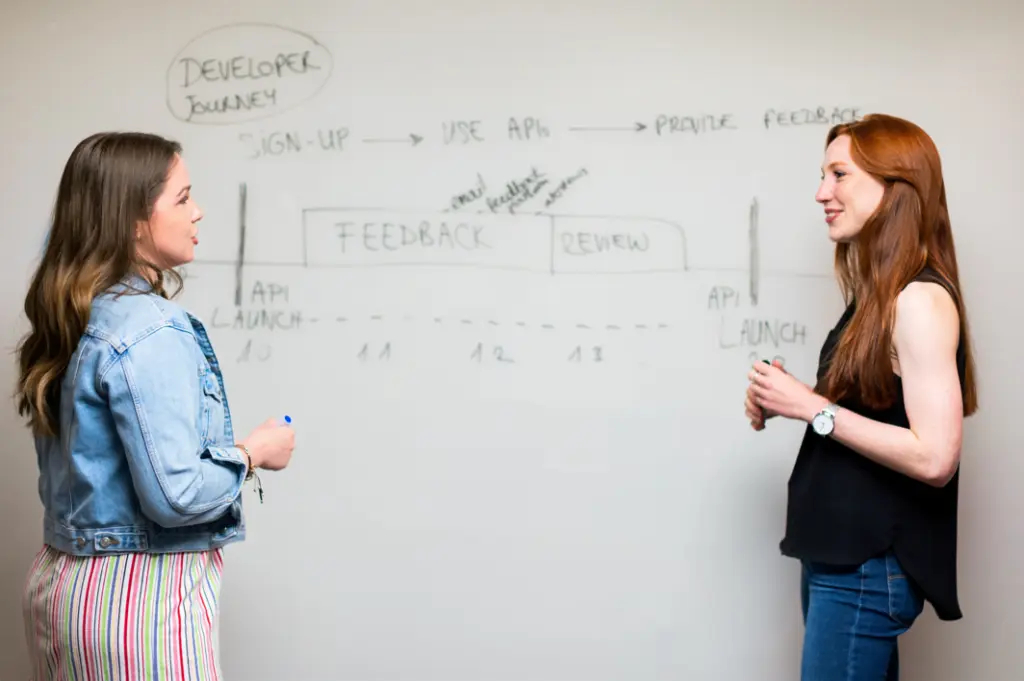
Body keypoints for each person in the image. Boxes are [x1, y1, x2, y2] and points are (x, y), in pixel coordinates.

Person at [15, 131, 295, 680]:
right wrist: (253, 452)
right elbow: (177, 495)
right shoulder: (150, 327)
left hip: (61, 588)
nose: (199, 212)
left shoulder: (75, 314)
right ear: (134, 220)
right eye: (183, 198)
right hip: (138, 602)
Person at [743, 113, 978, 680]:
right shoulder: (880, 297)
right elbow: (866, 414)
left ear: (895, 184)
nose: (822, 193)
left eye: (838, 174)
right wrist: (787, 399)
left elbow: (936, 457)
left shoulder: (918, 301)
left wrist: (810, 406)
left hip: (866, 568)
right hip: (844, 561)